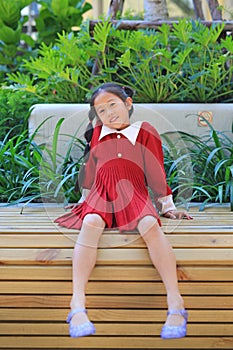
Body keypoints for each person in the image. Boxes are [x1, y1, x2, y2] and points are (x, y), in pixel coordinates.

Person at [54, 82, 193, 339]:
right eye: (101, 110)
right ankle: (77, 305)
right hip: (101, 194)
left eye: (113, 105)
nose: (109, 113)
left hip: (134, 194)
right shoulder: (98, 132)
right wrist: (84, 200)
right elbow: (92, 168)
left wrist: (167, 206)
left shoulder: (145, 131)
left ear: (128, 104)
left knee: (149, 226)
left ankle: (176, 303)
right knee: (91, 222)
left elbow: (155, 170)